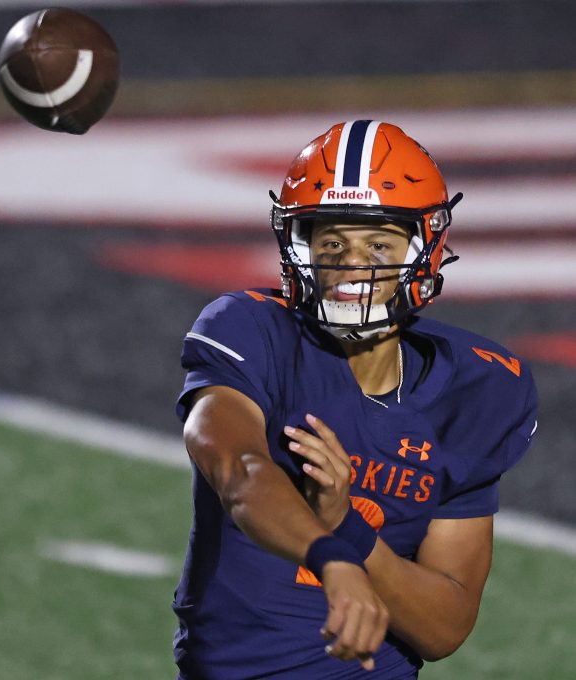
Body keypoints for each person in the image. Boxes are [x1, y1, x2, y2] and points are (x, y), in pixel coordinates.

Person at [172, 120, 537, 679]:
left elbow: (443, 629)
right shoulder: (252, 330)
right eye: (333, 241)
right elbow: (238, 471)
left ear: (423, 250)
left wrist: (349, 531)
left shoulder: (481, 388)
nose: (352, 265)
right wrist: (331, 558)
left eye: (380, 244)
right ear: (301, 248)